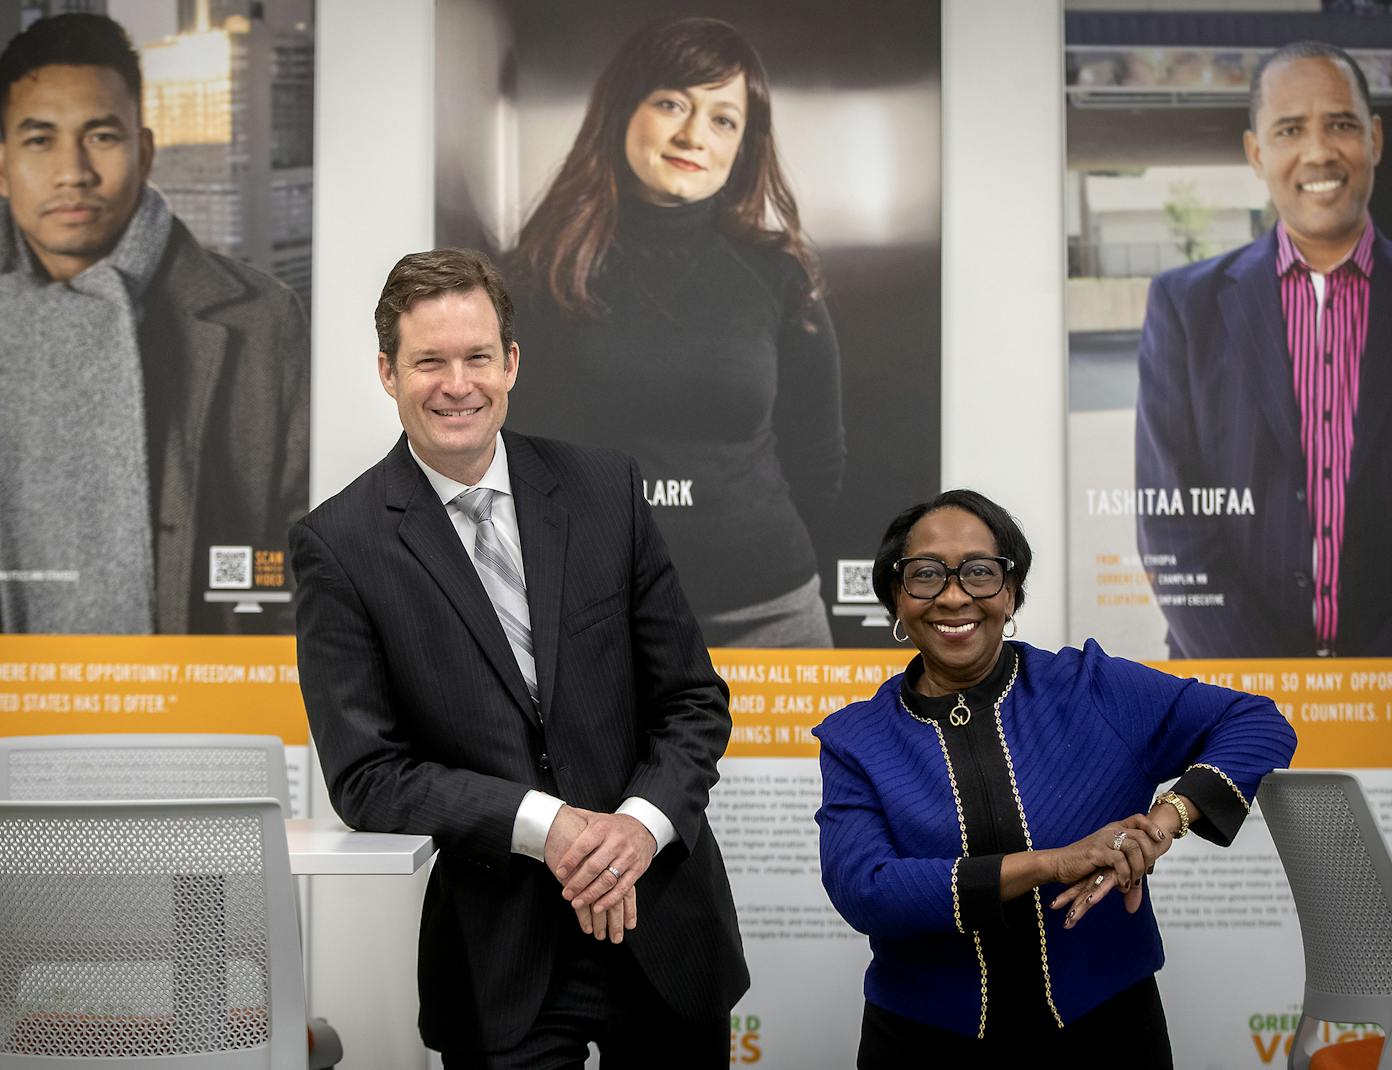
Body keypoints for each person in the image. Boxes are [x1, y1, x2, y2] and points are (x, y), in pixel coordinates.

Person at [291, 248, 747, 1067]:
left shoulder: (605, 491)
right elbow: (368, 776)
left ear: (511, 363)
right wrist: (549, 828)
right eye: (429, 360)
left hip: (660, 922)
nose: (456, 384)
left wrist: (635, 833)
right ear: (388, 373)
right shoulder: (340, 544)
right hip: (502, 954)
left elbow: (691, 703)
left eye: (476, 357)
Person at [813, 489, 1296, 1063]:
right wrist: (1053, 863)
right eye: (925, 576)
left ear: (1011, 591)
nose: (953, 596)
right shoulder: (856, 739)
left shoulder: (1091, 687)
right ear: (896, 598)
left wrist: (1168, 819)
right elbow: (866, 891)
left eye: (979, 573)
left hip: (1107, 1029)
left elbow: (1257, 722)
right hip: (923, 1039)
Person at [508, 15, 845, 647]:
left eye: (724, 119)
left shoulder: (781, 278)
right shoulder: (536, 276)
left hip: (768, 614)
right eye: (671, 103)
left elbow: (819, 459)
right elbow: (509, 454)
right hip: (596, 615)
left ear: (743, 146)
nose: (694, 134)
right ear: (623, 112)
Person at [0, 12, 308, 634]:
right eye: (40, 140)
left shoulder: (263, 319)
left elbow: (307, 554)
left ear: (144, 151)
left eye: (101, 136)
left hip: (203, 709)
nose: (73, 171)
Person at [1136, 40, 1392, 657]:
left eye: (1341, 124)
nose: (1319, 150)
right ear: (1256, 152)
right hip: (1233, 696)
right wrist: (1268, 690)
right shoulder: (1184, 306)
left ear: (1375, 139)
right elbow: (1170, 525)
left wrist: (1369, 687)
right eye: (1289, 129)